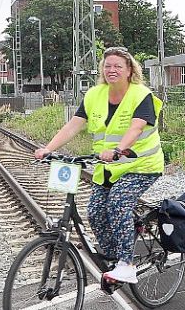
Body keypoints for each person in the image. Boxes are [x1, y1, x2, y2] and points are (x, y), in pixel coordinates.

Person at [35, 47, 164, 284]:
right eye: (108, 66)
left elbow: (136, 127)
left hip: (141, 165)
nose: (112, 70)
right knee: (95, 212)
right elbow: (73, 125)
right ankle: (115, 259)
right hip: (108, 169)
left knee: (117, 203)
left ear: (129, 71)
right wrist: (48, 149)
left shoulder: (140, 95)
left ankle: (126, 264)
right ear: (102, 70)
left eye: (118, 66)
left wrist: (117, 150)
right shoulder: (95, 95)